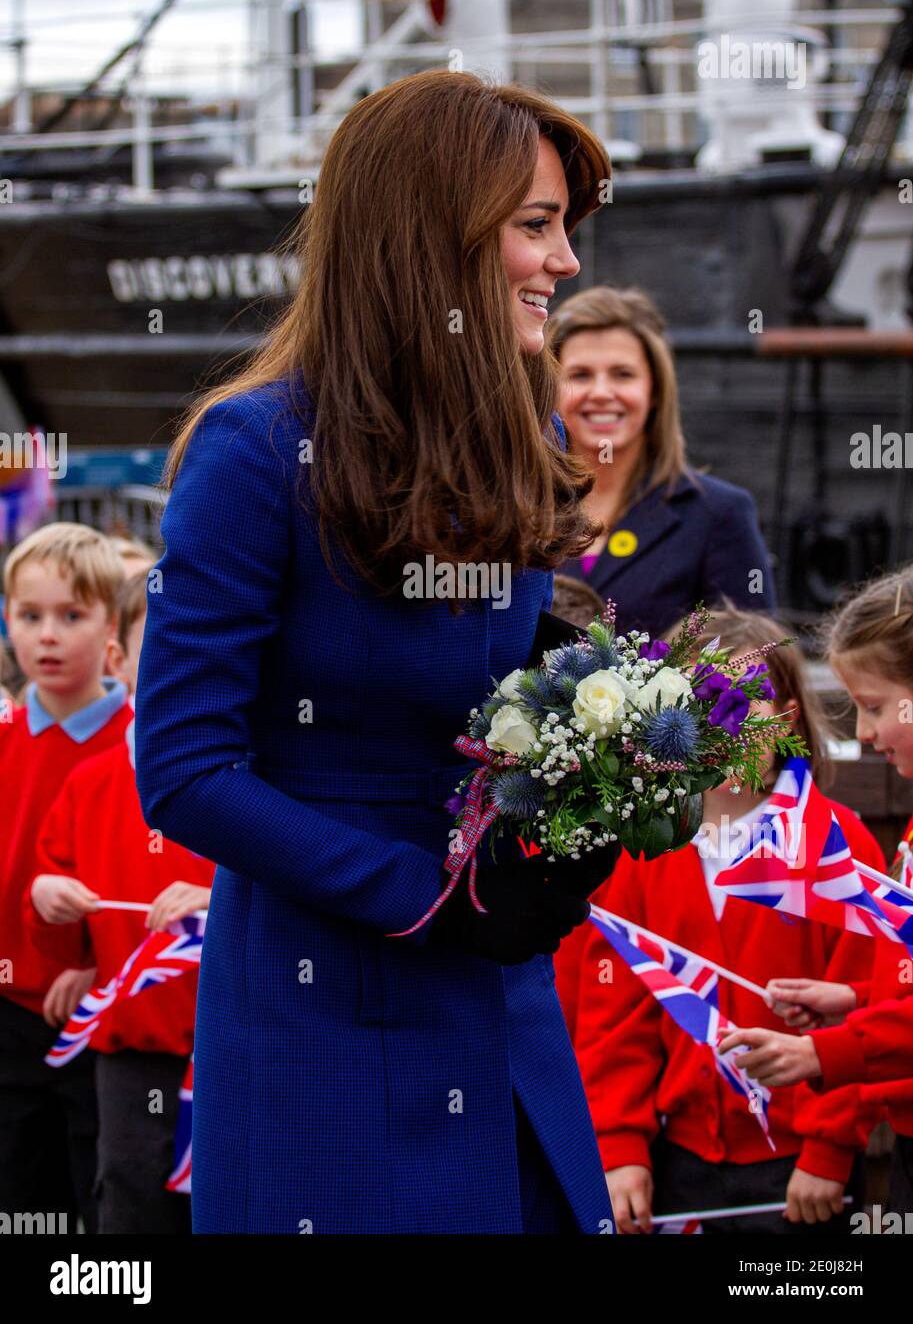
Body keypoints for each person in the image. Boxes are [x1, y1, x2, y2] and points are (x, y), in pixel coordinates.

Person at [133, 69, 622, 1235]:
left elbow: (489, 706)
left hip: (498, 991)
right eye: (536, 227)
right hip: (323, 1003)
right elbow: (185, 769)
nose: (564, 263)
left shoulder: (530, 431)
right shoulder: (255, 450)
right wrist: (427, 899)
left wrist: (588, 798)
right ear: (431, 236)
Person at [555, 605, 879, 1233]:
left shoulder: (840, 845)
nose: (722, 727)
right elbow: (617, 1009)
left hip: (802, 1170)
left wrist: (829, 1149)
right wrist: (619, 1146)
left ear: (786, 718)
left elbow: (862, 1014)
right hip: (676, 1161)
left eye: (745, 707)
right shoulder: (644, 848)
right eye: (701, 706)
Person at [717, 565, 913, 1210]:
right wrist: (855, 999)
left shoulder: (838, 835)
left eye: (876, 707)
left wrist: (821, 1053)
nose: (861, 733)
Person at [26, 569, 214, 1233]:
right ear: (118, 660)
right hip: (132, 1051)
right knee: (129, 1204)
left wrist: (222, 901)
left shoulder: (252, 770)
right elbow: (56, 901)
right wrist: (48, 901)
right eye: (162, 641)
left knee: (234, 1203)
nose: (184, 658)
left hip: (233, 1043)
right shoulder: (92, 781)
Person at [0, 523, 131, 1231]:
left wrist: (96, 962)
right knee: (23, 1193)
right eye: (29, 615)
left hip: (104, 1015)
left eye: (71, 616)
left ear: (112, 627)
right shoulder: (5, 737)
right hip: (10, 1013)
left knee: (104, 1188)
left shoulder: (140, 747)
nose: (47, 636)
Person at [547, 286, 776, 639]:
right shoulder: (519, 507)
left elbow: (752, 662)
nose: (602, 392)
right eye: (580, 375)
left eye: (623, 374)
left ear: (654, 391)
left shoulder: (719, 514)